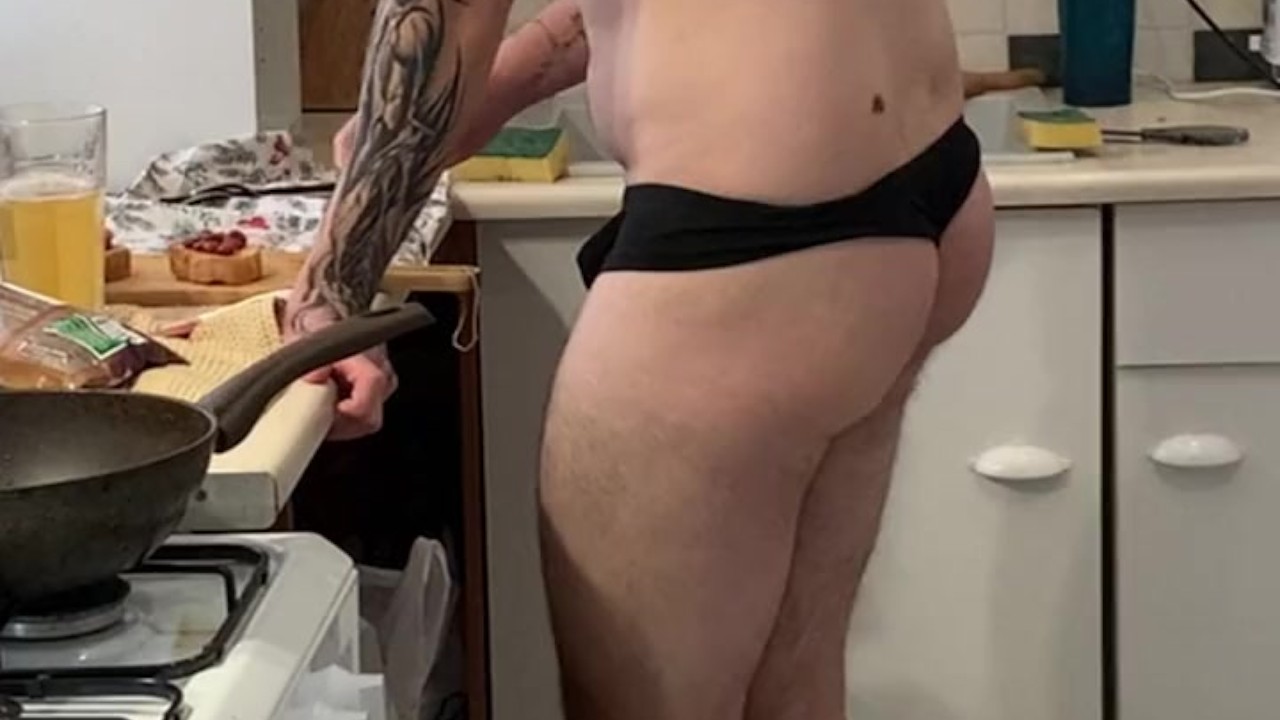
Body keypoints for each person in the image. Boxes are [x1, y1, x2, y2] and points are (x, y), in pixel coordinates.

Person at [284, 0, 995, 717]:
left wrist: (330, 296)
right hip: (924, 183)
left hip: (755, 240)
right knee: (794, 678)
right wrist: (496, 88)